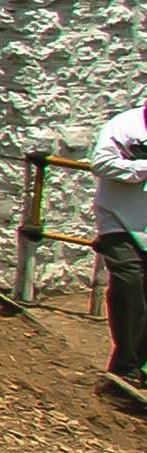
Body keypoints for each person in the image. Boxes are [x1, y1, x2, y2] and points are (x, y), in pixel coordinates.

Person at [90, 96, 147, 392]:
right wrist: (142, 168)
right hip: (118, 220)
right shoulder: (126, 125)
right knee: (128, 280)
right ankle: (125, 367)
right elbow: (100, 163)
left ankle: (135, 366)